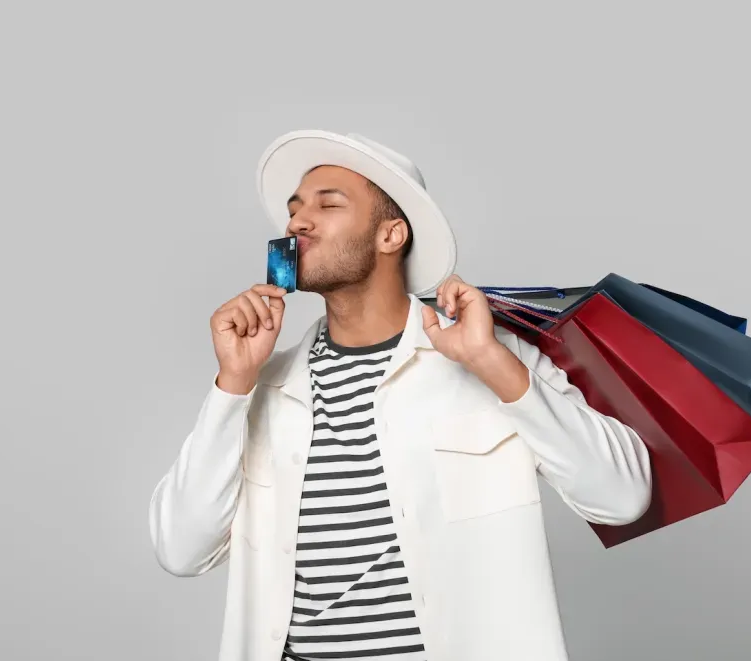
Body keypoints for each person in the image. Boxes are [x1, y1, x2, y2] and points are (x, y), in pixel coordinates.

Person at [148, 130, 653, 661]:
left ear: (391, 234)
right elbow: (181, 551)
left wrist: (491, 362)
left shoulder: (491, 359)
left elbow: (622, 499)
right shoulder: (261, 386)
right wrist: (233, 382)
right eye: (294, 210)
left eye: (328, 205)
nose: (297, 222)